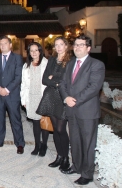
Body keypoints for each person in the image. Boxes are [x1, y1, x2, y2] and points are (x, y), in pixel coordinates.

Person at [59, 35, 105, 186]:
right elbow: (63, 83)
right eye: (76, 45)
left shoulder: (96, 64)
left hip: (87, 111)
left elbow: (93, 87)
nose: (77, 47)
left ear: (88, 48)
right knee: (75, 141)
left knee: (87, 144)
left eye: (81, 45)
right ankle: (77, 166)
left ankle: (87, 173)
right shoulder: (71, 63)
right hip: (72, 110)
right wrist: (66, 98)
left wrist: (75, 100)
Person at [38, 36, 72, 170]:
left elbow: (67, 80)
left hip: (62, 97)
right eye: (56, 45)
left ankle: (66, 158)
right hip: (50, 97)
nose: (58, 47)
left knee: (61, 129)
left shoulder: (71, 61)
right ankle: (59, 156)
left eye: (61, 44)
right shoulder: (52, 60)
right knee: (55, 130)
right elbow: (44, 79)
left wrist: (55, 80)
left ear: (66, 46)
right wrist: (56, 81)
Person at [0, 36, 25, 154]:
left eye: (5, 43)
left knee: (15, 120)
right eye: (1, 44)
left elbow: (18, 76)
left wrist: (7, 89)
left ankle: (19, 143)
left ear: (10, 45)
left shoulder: (17, 58)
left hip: (12, 95)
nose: (2, 46)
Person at [20, 42, 48, 156]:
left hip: (43, 97)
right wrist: (24, 100)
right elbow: (23, 84)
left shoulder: (46, 63)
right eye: (31, 51)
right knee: (35, 123)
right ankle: (37, 145)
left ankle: (44, 145)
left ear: (40, 51)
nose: (34, 53)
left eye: (36, 50)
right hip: (31, 97)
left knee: (44, 122)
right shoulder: (26, 65)